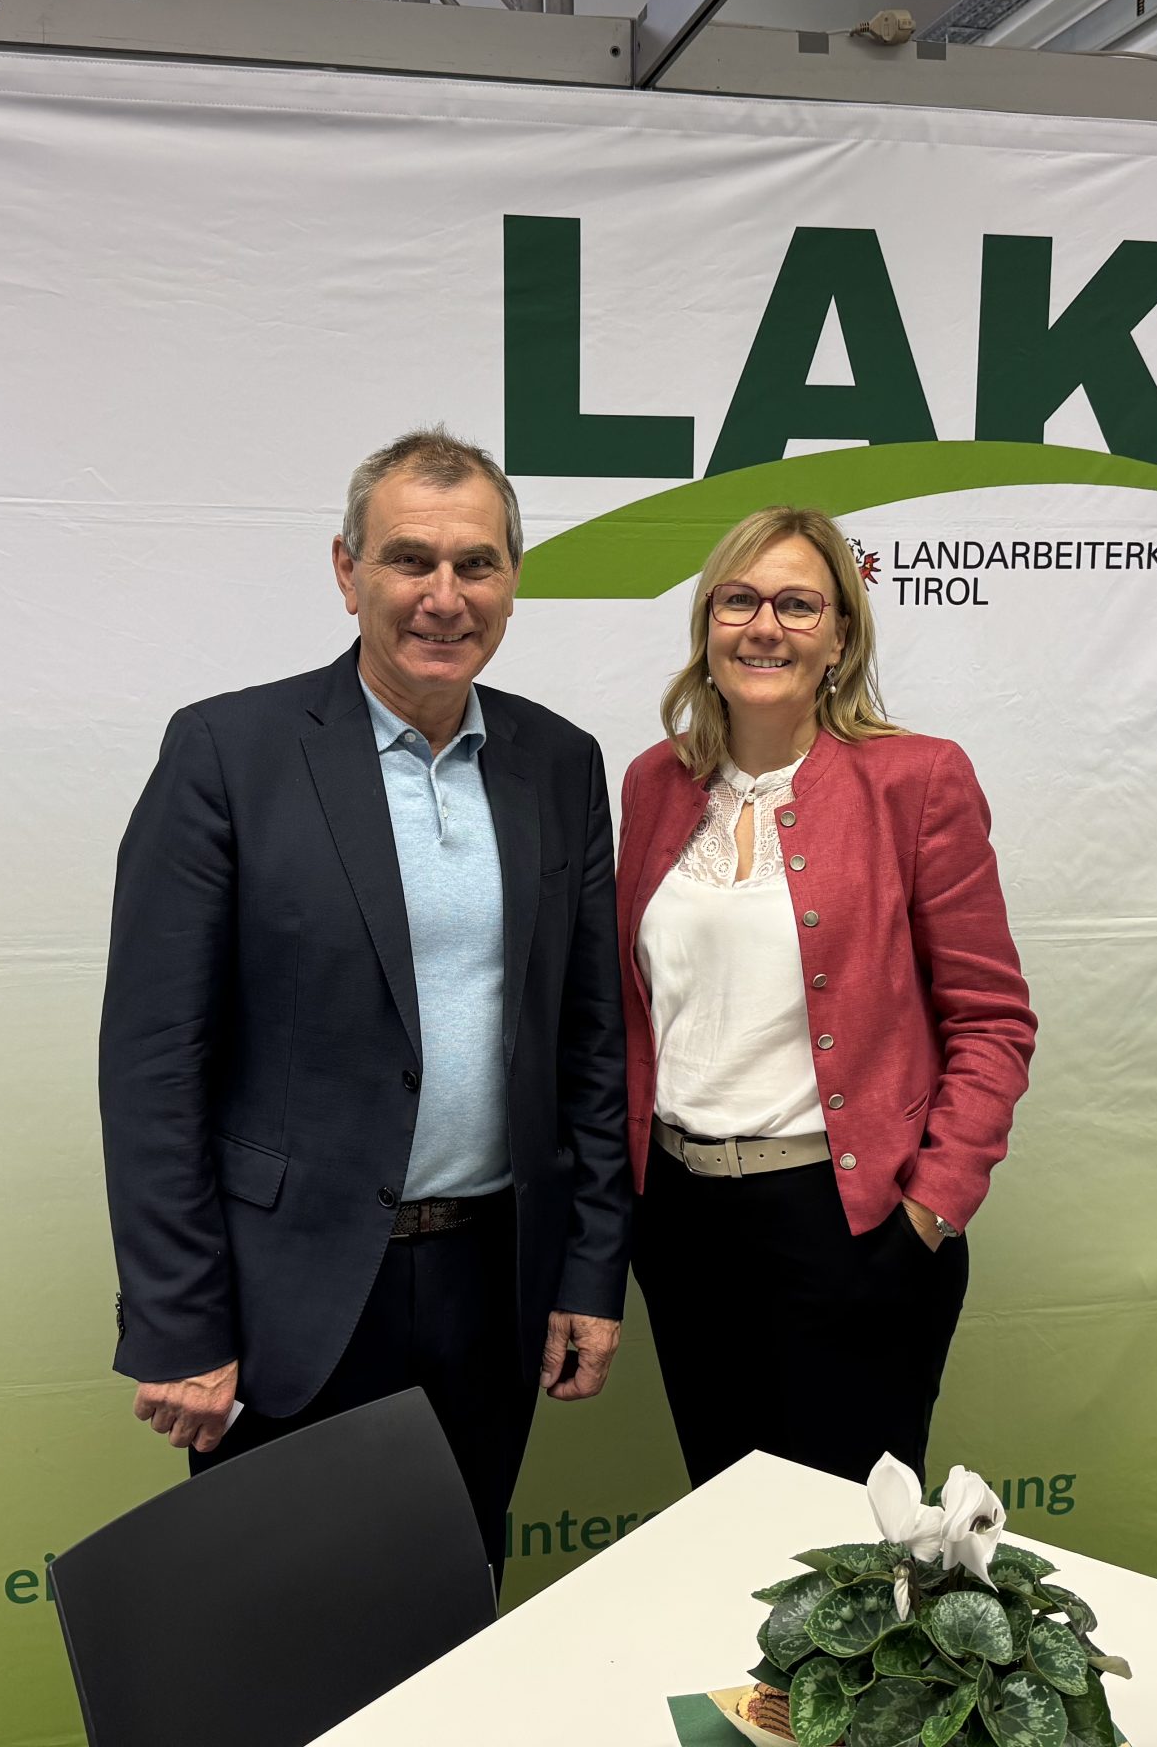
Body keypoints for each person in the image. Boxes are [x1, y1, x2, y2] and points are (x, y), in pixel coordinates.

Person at [98, 429, 630, 1572]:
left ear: (513, 581)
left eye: (476, 564)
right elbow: (153, 1067)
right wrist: (180, 1320)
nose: (444, 597)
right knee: (279, 1628)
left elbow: (590, 1046)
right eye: (408, 561)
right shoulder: (227, 753)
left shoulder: (560, 763)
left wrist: (589, 1272)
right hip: (286, 1301)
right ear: (347, 572)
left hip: (493, 1287)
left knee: (457, 1611)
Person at [616, 506, 1035, 1488]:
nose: (764, 626)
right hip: (680, 1226)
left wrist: (928, 1211)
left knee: (849, 1542)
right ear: (707, 626)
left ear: (840, 635)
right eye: (739, 600)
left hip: (850, 1222)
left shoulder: (916, 780)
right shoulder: (653, 783)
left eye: (798, 605)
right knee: (726, 1509)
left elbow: (992, 1020)